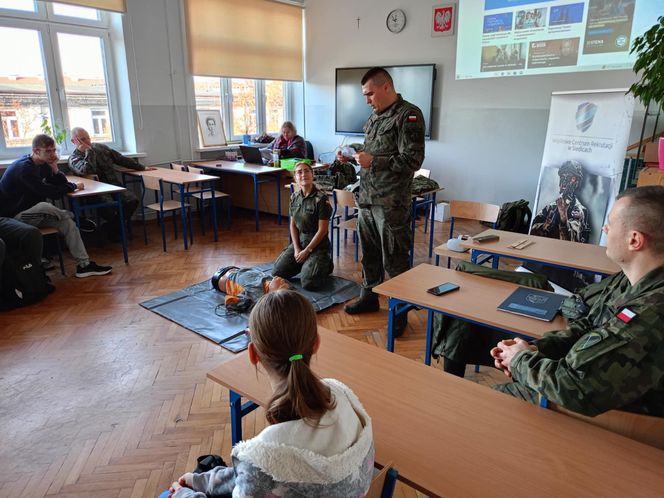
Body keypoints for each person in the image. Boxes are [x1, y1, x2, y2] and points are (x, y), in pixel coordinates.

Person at [169, 290, 375, 497]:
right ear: (316, 344)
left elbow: (257, 473)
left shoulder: (264, 456)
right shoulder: (344, 398)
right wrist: (202, 481)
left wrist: (183, 494)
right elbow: (255, 475)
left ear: (252, 354)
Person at [491, 186, 664, 417]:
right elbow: (588, 325)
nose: (605, 228)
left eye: (611, 223)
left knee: (494, 404)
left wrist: (520, 361)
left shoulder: (650, 312)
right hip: (601, 404)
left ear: (634, 240)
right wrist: (537, 349)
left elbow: (574, 388)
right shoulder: (630, 279)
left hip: (621, 425)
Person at [341, 67, 425, 338]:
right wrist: (353, 154)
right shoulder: (375, 116)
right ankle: (369, 296)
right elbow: (373, 151)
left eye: (370, 94)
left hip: (391, 202)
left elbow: (412, 161)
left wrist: (373, 161)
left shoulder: (409, 115)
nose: (367, 100)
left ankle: (399, 311)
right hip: (367, 196)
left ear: (386, 87)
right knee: (371, 253)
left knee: (395, 258)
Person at [0, 134, 112, 278]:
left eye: (53, 150)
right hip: (14, 218)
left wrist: (55, 168)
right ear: (35, 150)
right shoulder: (24, 168)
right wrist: (72, 186)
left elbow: (58, 186)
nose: (52, 154)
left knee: (67, 223)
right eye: (47, 151)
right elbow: (48, 192)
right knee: (44, 206)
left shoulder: (43, 165)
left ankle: (84, 265)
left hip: (35, 214)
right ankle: (72, 215)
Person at [68, 127, 151, 240]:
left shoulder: (101, 148)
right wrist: (88, 152)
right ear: (74, 141)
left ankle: (112, 228)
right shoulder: (74, 158)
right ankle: (117, 229)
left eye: (88, 138)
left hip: (114, 186)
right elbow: (87, 170)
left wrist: (142, 167)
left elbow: (120, 159)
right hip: (96, 192)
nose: (87, 141)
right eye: (82, 139)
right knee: (110, 207)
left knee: (132, 200)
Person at [273, 162, 333, 290]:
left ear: (312, 174)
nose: (303, 174)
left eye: (306, 171)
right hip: (301, 242)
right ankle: (306, 264)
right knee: (277, 273)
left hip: (318, 246)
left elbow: (322, 230)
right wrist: (296, 249)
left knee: (308, 283)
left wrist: (307, 251)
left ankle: (326, 264)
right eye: (299, 172)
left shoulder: (321, 198)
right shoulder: (294, 197)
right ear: (295, 177)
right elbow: (293, 225)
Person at [531, 160, 590, 243]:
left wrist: (563, 217)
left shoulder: (580, 211)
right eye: (562, 177)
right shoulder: (550, 207)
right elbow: (532, 232)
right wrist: (545, 226)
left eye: (569, 178)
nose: (564, 181)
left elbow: (572, 243)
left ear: (577, 182)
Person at [212, 265, 291, 312]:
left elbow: (232, 303)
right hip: (241, 273)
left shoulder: (258, 299)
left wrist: (272, 292)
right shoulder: (279, 284)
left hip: (231, 277)